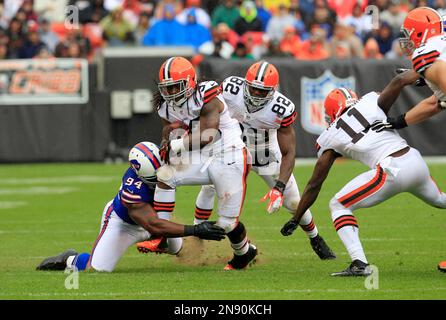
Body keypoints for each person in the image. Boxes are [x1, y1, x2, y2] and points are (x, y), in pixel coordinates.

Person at [280, 70, 446, 276]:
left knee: (338, 204)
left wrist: (296, 218)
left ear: (332, 111)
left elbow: (315, 183)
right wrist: (423, 76)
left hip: (391, 168)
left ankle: (359, 263)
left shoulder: (329, 136)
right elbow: (399, 80)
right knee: (440, 200)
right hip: (415, 160)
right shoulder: (370, 101)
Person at [193, 61, 336, 260]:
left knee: (294, 202)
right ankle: (195, 236)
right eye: (253, 89)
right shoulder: (229, 88)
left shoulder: (281, 108)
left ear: (273, 91)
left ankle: (315, 238)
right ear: (245, 84)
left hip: (264, 155)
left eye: (263, 91)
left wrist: (279, 187)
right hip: (230, 151)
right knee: (209, 186)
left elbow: (288, 152)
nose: (256, 95)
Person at [36, 142, 226, 272]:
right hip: (124, 225)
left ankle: (160, 243)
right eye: (156, 177)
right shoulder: (133, 191)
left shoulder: (165, 162)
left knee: (179, 249)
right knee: (97, 269)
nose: (163, 178)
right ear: (142, 174)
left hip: (156, 220)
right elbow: (153, 225)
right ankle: (69, 258)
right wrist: (196, 229)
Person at [150, 57, 257, 270]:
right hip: (202, 157)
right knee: (165, 175)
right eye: (167, 88)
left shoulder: (207, 95)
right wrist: (166, 143)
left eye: (175, 87)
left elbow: (208, 134)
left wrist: (175, 145)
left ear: (190, 82)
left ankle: (244, 252)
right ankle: (162, 235)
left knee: (226, 224)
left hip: (229, 156)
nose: (171, 93)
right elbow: (170, 131)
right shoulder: (166, 107)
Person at [372, 7, 446, 272]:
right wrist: (399, 121)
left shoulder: (427, 53)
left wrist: (424, 77)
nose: (407, 40)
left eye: (408, 34)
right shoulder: (438, 47)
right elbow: (437, 102)